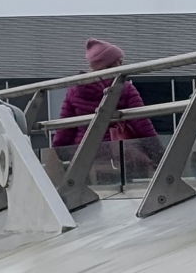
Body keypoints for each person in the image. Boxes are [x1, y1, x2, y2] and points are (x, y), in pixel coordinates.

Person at [52, 38, 162, 176]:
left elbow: (64, 129)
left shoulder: (74, 90)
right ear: (111, 64)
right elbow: (143, 126)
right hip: (120, 157)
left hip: (85, 156)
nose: (123, 65)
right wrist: (159, 154)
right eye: (120, 61)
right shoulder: (125, 89)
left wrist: (60, 154)